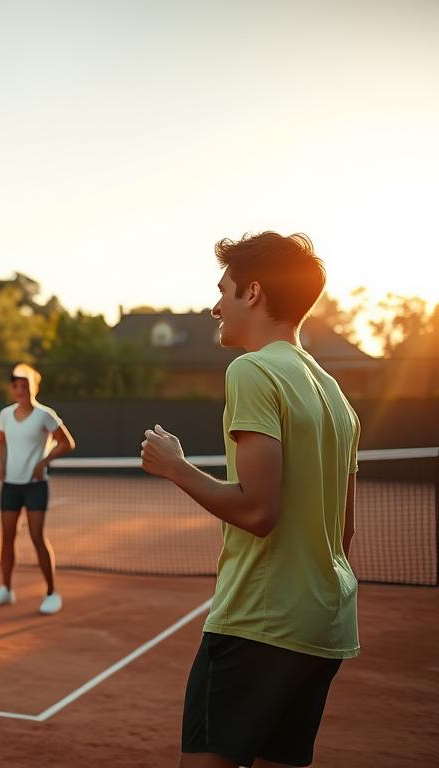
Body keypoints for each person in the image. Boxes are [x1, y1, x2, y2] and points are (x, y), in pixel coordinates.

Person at [141, 232, 359, 768]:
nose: (215, 307)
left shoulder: (253, 370)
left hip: (259, 623)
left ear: (254, 292)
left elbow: (259, 512)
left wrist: (175, 467)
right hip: (323, 624)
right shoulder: (335, 393)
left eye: (224, 291)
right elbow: (344, 531)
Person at [0, 364, 76, 615]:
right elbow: (0, 443)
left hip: (36, 486)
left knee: (37, 537)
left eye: (25, 386)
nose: (20, 390)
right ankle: (5, 589)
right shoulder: (4, 415)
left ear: (33, 387)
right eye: (16, 386)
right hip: (10, 485)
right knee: (7, 537)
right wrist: (1, 464)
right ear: (12, 389)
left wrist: (43, 462)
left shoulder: (45, 415)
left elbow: (67, 443)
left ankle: (51, 592)